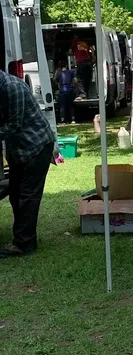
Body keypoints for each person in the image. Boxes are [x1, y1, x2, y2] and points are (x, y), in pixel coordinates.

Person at [0, 70, 56, 258]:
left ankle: (24, 244)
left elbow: (14, 124)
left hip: (36, 145)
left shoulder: (12, 88)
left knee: (27, 196)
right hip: (19, 149)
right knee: (15, 195)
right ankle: (24, 238)